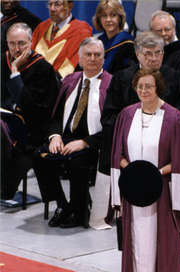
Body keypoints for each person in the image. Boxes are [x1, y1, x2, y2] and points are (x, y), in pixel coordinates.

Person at [111, 69, 180, 272]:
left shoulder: (174, 118)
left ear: (158, 87)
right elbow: (118, 153)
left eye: (149, 86)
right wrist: (134, 171)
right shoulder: (127, 115)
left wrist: (155, 174)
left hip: (162, 190)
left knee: (164, 241)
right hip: (135, 189)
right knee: (136, 239)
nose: (144, 91)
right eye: (140, 87)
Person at [34, 37, 112, 229]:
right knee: (39, 156)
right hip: (66, 138)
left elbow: (113, 126)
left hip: (95, 143)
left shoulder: (112, 85)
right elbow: (55, 115)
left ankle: (78, 211)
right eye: (88, 54)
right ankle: (62, 205)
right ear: (79, 58)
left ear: (103, 58)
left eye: (97, 55)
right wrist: (55, 136)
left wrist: (85, 142)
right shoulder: (70, 80)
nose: (93, 59)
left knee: (77, 162)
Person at [100, 30, 180, 176]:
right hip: (128, 147)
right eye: (148, 53)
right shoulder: (122, 78)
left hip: (164, 147)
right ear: (137, 54)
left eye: (158, 53)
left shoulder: (176, 78)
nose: (154, 58)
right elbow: (109, 116)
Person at [1, 22, 59, 199]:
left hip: (31, 129)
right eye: (12, 43)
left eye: (21, 43)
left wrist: (16, 73)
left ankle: (4, 186)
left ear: (31, 43)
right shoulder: (2, 60)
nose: (16, 49)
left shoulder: (43, 68)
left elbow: (35, 109)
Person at [31, 0, 92, 78]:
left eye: (57, 4)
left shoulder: (81, 32)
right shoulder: (41, 28)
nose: (52, 9)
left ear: (70, 6)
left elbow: (71, 68)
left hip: (61, 85)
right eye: (50, 4)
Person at [92, 0, 135, 74]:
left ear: (120, 18)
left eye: (113, 15)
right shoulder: (96, 42)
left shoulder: (128, 44)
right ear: (99, 19)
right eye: (104, 16)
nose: (108, 20)